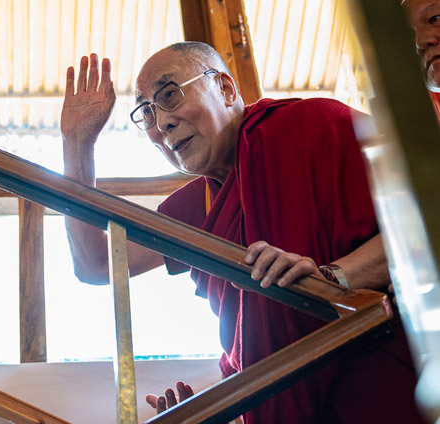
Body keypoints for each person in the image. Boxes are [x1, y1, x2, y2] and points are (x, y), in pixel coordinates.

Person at [60, 43, 423, 423]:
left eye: (169, 94)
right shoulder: (195, 207)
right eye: (146, 112)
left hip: (380, 386)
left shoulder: (315, 126)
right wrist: (78, 144)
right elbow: (97, 263)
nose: (160, 123)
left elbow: (428, 214)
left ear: (227, 89)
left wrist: (331, 279)